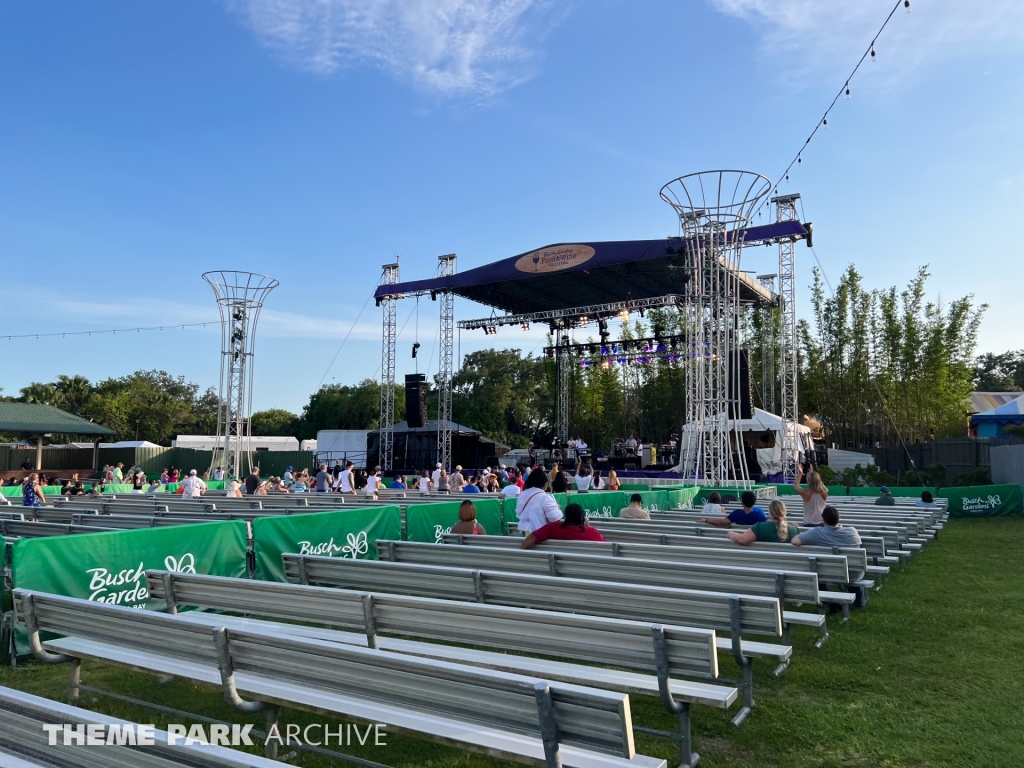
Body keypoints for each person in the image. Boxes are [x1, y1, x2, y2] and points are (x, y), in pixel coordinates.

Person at [520, 503, 605, 548]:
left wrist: (521, 551)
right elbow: (605, 546)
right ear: (582, 518)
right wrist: (588, 526)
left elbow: (532, 538)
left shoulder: (552, 528)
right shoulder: (592, 532)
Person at [729, 499, 799, 545]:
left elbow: (742, 539)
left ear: (770, 513)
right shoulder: (794, 530)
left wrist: (730, 533)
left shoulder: (759, 527)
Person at [515, 468, 563, 534]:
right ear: (544, 484)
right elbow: (555, 519)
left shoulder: (522, 495)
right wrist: (557, 508)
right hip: (537, 534)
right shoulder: (546, 498)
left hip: (523, 531)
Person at [793, 505, 862, 547]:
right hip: (853, 569)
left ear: (823, 520)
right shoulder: (852, 532)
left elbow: (795, 541)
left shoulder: (817, 533)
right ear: (838, 519)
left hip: (827, 570)